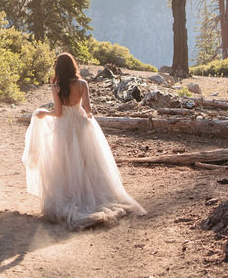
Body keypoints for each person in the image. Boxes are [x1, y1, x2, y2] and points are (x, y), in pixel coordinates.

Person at [22, 52, 145, 229]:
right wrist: (84, 116)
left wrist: (44, 113)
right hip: (81, 125)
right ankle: (91, 194)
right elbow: (88, 109)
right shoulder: (82, 84)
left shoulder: (57, 86)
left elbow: (58, 113)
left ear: (58, 68)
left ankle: (71, 195)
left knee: (66, 163)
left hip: (64, 127)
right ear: (73, 66)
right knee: (88, 162)